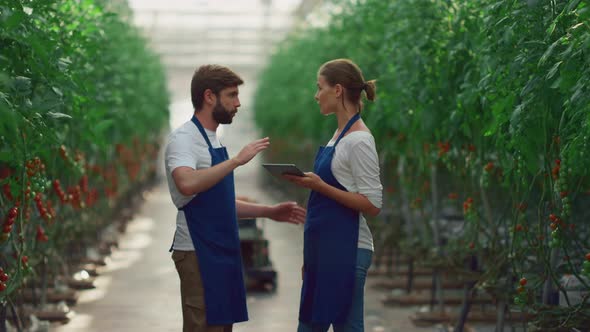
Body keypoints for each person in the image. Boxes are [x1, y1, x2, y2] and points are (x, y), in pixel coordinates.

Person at [164, 64, 306, 332]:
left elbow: (217, 204)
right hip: (197, 250)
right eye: (231, 95)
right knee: (201, 325)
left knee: (221, 326)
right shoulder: (184, 139)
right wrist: (236, 161)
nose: (238, 103)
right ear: (209, 97)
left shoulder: (212, 139)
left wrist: (268, 211)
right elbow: (186, 183)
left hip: (221, 247)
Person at [284, 59, 383, 332]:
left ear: (337, 90)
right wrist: (311, 258)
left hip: (347, 251)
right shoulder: (338, 135)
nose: (316, 95)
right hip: (325, 250)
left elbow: (373, 204)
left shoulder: (360, 140)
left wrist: (320, 186)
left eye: (320, 88)